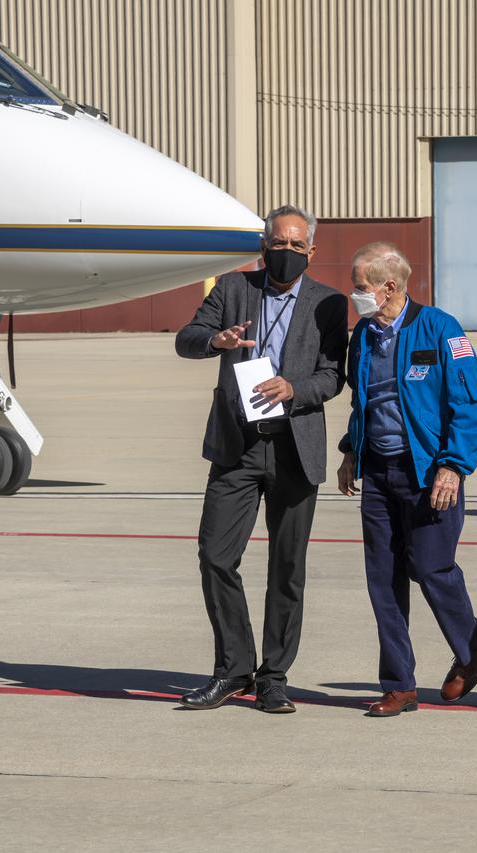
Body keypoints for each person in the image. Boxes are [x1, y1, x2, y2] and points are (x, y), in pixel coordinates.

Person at [175, 205, 348, 713]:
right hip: (238, 447)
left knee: (287, 566)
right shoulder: (232, 290)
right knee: (215, 556)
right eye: (280, 242)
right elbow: (187, 340)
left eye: (298, 245)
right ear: (263, 245)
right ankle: (233, 669)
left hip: (295, 445)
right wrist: (216, 340)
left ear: (311, 252)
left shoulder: (329, 303)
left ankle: (274, 676)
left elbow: (334, 374)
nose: (288, 252)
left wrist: (296, 388)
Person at [335, 241, 477, 718]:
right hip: (379, 474)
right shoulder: (362, 335)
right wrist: (350, 452)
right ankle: (399, 685)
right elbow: (362, 403)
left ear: (389, 286)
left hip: (428, 472)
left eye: (360, 287)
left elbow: (469, 402)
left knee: (430, 567)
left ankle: (472, 643)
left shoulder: (440, 328)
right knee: (382, 580)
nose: (355, 295)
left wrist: (453, 465)